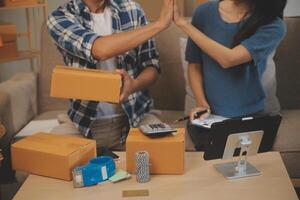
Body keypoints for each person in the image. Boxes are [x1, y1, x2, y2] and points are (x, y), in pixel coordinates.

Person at [47, 0, 174, 149]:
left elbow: (152, 66)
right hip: (83, 123)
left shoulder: (132, 9)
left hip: (135, 118)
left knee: (162, 157)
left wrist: (134, 85)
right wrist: (159, 24)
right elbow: (99, 50)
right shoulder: (59, 17)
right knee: (49, 162)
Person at [173, 0, 287, 151]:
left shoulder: (274, 26)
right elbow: (194, 64)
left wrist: (183, 24)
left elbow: (228, 59)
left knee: (248, 169)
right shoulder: (204, 12)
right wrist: (201, 103)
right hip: (209, 119)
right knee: (211, 163)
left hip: (252, 118)